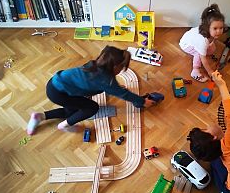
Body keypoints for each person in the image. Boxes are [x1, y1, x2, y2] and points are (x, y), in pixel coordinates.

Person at [26, 46, 156, 135]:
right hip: (60, 94)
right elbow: (124, 94)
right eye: (121, 68)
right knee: (91, 108)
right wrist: (142, 101)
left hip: (53, 84)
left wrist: (114, 88)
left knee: (72, 110)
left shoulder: (93, 64)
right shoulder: (107, 81)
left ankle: (40, 116)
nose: (121, 71)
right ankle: (64, 125)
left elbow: (90, 84)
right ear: (115, 67)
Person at [179, 4, 225, 83]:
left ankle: (202, 52)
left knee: (212, 49)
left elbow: (211, 41)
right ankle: (195, 70)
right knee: (199, 54)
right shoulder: (203, 41)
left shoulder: (209, 32)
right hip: (186, 44)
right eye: (215, 28)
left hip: (194, 40)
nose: (219, 31)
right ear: (207, 27)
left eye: (221, 28)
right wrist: (210, 72)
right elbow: (203, 59)